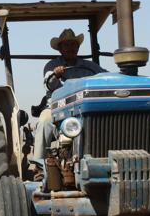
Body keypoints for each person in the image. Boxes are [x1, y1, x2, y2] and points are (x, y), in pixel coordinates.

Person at [33, 28, 108, 160]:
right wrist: (56, 75)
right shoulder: (52, 65)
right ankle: (38, 166)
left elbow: (105, 76)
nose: (70, 48)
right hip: (58, 108)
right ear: (60, 49)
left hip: (85, 108)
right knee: (44, 122)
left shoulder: (90, 66)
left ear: (78, 47)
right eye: (66, 45)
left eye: (73, 44)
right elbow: (49, 84)